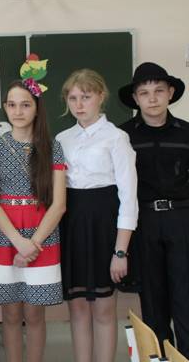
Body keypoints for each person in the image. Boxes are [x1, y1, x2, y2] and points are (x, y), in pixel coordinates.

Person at [0, 79, 67, 362]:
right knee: (11, 313)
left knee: (35, 313)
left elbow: (59, 204)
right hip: (4, 233)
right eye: (12, 105)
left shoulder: (52, 147)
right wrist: (18, 242)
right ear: (5, 107)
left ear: (37, 108)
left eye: (25, 105)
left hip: (42, 233)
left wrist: (32, 243)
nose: (18, 111)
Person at [56, 69, 138, 362]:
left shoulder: (117, 138)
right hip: (72, 224)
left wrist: (120, 251)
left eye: (86, 97)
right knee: (77, 308)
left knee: (103, 309)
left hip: (105, 225)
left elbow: (128, 198)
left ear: (101, 97)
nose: (79, 105)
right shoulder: (62, 138)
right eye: (73, 98)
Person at [118, 62, 189, 357]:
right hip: (143, 222)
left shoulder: (186, 133)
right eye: (144, 93)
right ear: (135, 98)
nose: (152, 98)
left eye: (159, 91)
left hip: (182, 219)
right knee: (153, 302)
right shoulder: (122, 136)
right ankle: (160, 358)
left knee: (185, 300)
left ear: (170, 93)